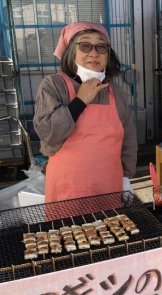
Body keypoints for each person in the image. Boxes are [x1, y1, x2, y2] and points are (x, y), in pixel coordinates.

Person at [34, 22, 137, 203]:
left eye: (101, 46)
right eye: (85, 46)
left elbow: (128, 140)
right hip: (68, 191)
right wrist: (80, 101)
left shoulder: (116, 92)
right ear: (71, 52)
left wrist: (126, 177)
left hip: (109, 187)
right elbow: (48, 132)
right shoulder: (54, 85)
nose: (94, 53)